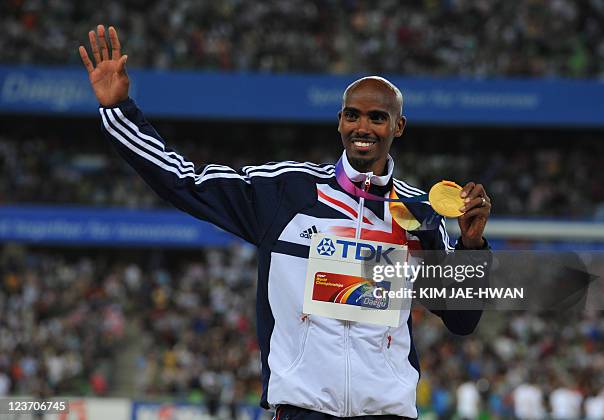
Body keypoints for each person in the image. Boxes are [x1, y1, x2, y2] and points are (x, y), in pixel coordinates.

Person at [79, 25, 492, 419]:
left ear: (398, 126)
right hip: (301, 409)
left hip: (387, 413)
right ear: (339, 121)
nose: (362, 127)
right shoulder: (284, 191)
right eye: (352, 115)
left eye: (376, 118)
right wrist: (119, 111)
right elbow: (184, 182)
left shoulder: (420, 214)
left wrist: (472, 249)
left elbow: (461, 319)